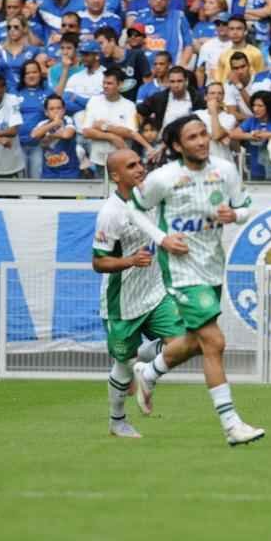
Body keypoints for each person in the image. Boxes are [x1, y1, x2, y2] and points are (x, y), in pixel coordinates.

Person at [127, 116, 266, 447]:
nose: (202, 141)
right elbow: (133, 208)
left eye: (204, 134)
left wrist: (237, 216)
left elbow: (245, 205)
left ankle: (149, 373)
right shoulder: (163, 178)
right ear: (177, 146)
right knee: (214, 342)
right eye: (193, 137)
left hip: (212, 265)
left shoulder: (225, 169)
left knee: (195, 340)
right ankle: (232, 424)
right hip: (181, 269)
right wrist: (162, 239)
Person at [92, 149, 199, 438]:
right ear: (115, 176)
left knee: (191, 341)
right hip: (122, 304)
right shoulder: (111, 214)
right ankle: (117, 422)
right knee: (123, 369)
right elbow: (98, 262)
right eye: (131, 166)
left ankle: (145, 367)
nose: (139, 168)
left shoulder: (149, 195)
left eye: (139, 163)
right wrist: (130, 261)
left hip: (156, 294)